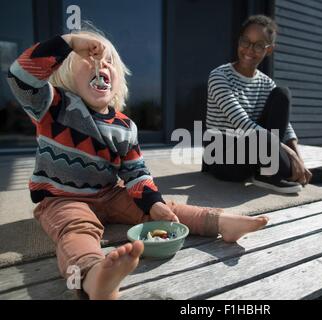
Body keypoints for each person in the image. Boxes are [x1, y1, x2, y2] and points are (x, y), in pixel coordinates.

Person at [7, 29, 268, 300]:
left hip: (109, 194)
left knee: (164, 209)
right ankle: (91, 277)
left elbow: (136, 172)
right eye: (87, 57)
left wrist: (153, 203)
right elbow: (20, 75)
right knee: (76, 229)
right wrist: (69, 43)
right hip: (62, 198)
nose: (100, 64)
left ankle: (220, 222)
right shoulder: (53, 105)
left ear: (117, 81)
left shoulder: (124, 126)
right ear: (65, 73)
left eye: (108, 61)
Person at [203, 15, 322, 193]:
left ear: (269, 50)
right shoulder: (219, 76)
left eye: (259, 45)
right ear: (239, 41)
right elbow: (241, 123)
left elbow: (285, 126)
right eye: (246, 41)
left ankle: (283, 171)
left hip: (254, 148)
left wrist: (299, 157)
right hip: (223, 157)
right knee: (266, 142)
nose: (250, 50)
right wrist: (289, 155)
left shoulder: (266, 83)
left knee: (282, 94)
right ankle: (281, 171)